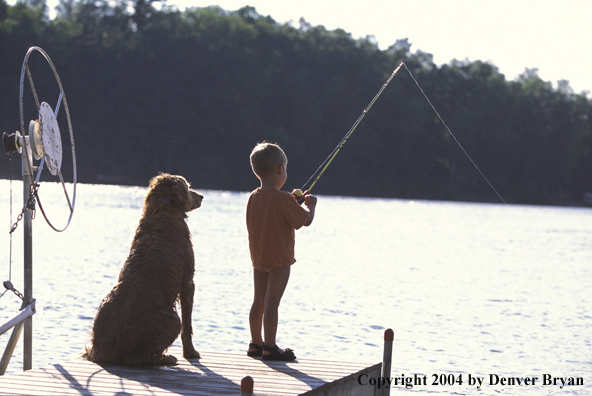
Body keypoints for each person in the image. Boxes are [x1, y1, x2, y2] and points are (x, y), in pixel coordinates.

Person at [246, 142, 317, 361]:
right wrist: (310, 205)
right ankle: (270, 347)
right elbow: (305, 221)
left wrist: (292, 203)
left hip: (258, 259)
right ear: (279, 169)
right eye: (285, 168)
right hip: (279, 262)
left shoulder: (253, 197)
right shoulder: (285, 199)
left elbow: (269, 215)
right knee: (272, 303)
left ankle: (255, 344)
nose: (285, 172)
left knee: (258, 301)